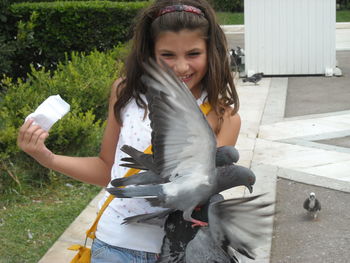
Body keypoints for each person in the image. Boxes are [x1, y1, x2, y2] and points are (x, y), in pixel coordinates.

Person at [17, 0, 241, 262]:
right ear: (149, 53)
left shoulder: (224, 117)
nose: (181, 67)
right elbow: (107, 170)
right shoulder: (126, 93)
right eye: (167, 55)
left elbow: (197, 197)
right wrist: (47, 158)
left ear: (210, 51)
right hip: (116, 247)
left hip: (181, 251)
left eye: (193, 54)